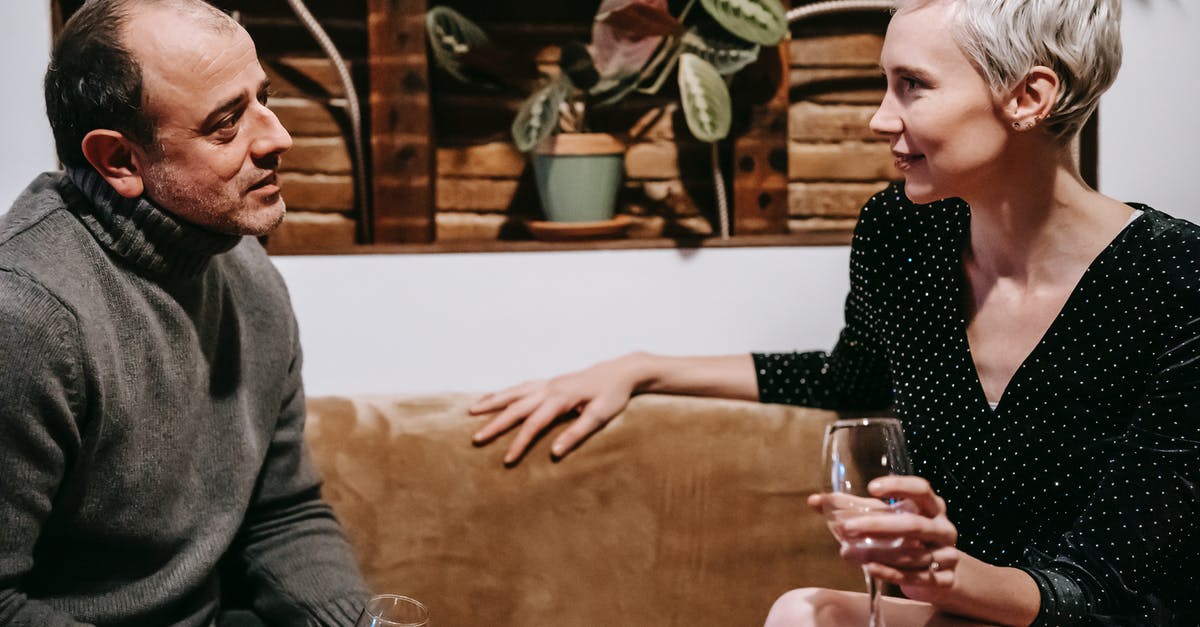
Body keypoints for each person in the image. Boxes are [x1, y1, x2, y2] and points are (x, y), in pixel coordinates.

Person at [469, 0, 1199, 624]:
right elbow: (847, 377)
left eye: (911, 86)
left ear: (1029, 96)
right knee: (805, 612)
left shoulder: (1178, 280)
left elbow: (1103, 588)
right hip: (964, 610)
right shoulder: (900, 233)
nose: (880, 119)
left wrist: (945, 573)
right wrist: (641, 367)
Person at [0, 0, 372, 624]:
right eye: (227, 122)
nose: (278, 136)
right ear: (119, 161)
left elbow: (282, 514)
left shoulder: (246, 270)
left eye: (263, 97)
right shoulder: (28, 317)